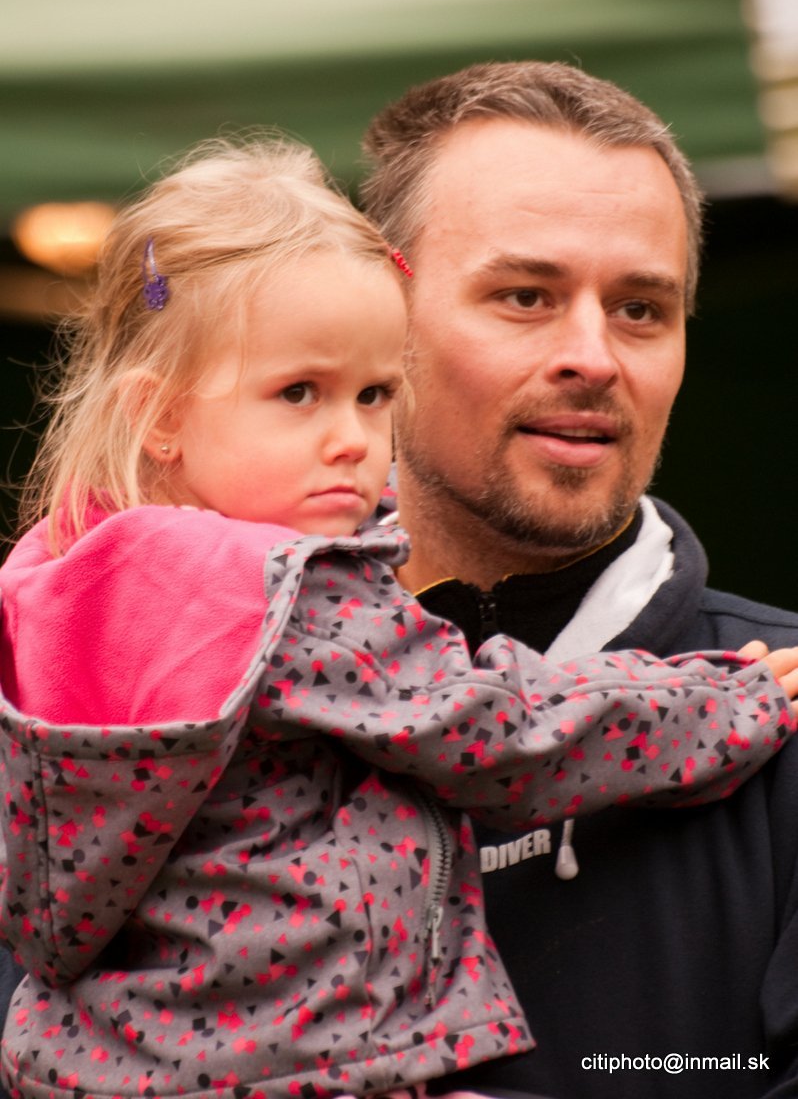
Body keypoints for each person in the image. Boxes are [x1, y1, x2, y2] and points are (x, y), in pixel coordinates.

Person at [0, 137, 795, 1099]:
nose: (350, 438)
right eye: (298, 394)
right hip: (312, 1060)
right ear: (159, 417)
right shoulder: (291, 594)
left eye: (375, 394)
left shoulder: (63, 590)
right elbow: (501, 732)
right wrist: (724, 704)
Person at [359, 60, 798, 1099]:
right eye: (526, 296)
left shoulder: (786, 706)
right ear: (377, 313)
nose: (594, 357)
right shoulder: (180, 702)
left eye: (641, 308)